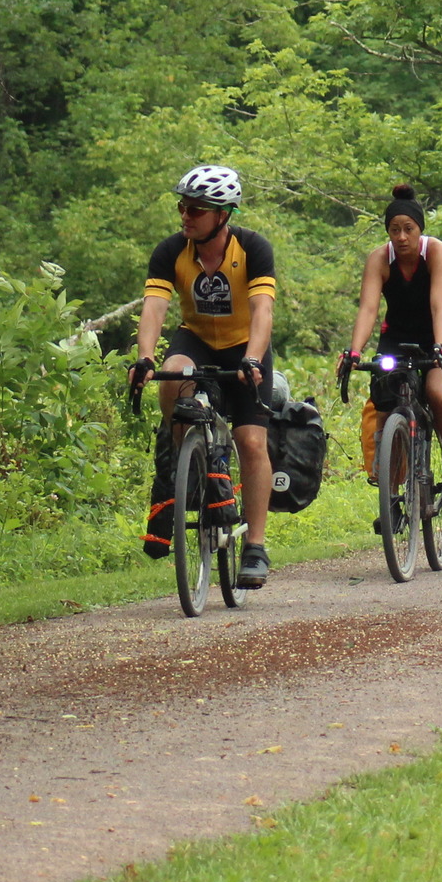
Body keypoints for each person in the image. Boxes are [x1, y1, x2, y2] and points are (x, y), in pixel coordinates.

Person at [130, 164, 278, 588]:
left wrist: (252, 359)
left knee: (251, 440)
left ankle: (256, 546)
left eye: (196, 209)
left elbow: (263, 310)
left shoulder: (252, 248)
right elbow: (155, 306)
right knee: (172, 371)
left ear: (223, 214)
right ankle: (182, 458)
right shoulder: (170, 250)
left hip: (245, 345)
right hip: (195, 338)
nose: (186, 215)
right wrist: (144, 357)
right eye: (182, 206)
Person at [343, 185, 442, 502]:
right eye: (394, 230)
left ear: (419, 230)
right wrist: (355, 352)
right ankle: (389, 493)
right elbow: (368, 309)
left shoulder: (436, 253)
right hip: (399, 336)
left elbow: (438, 307)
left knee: (438, 392)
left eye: (408, 229)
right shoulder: (379, 260)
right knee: (386, 401)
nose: (401, 237)